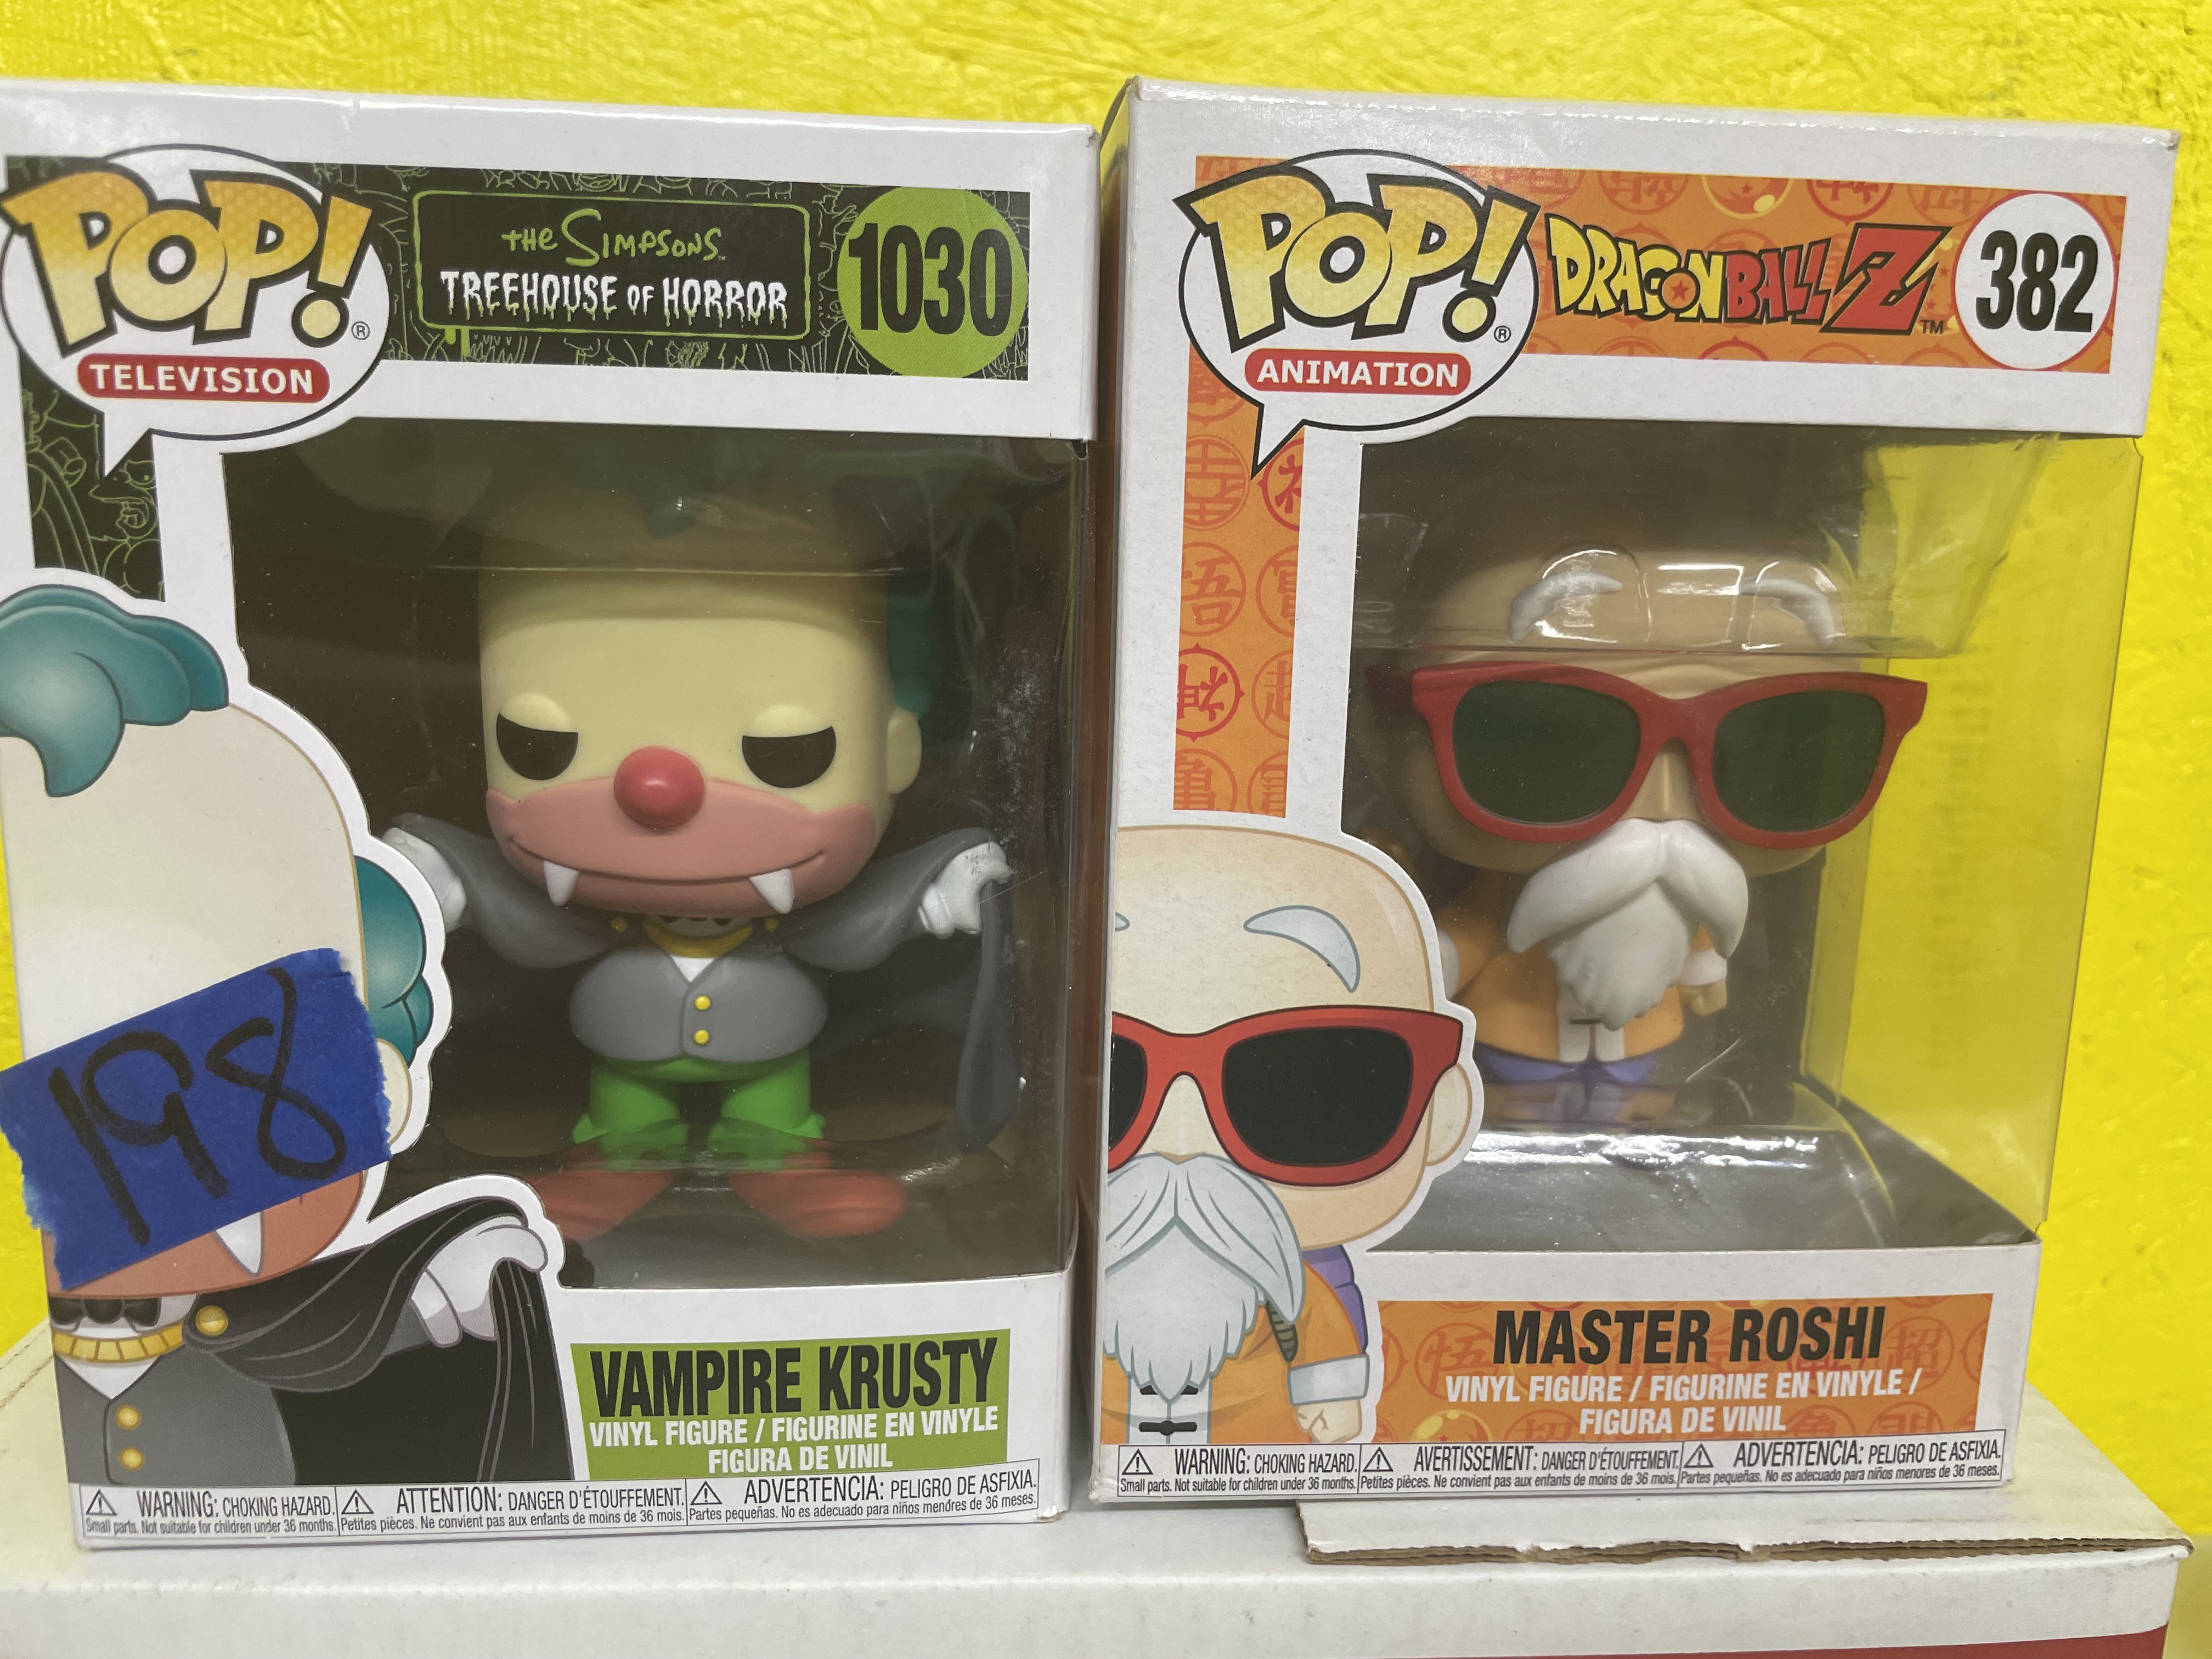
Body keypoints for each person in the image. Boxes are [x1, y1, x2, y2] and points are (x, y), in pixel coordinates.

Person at [1099, 825, 1475, 1448]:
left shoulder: (1289, 1279)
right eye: (1116, 1072)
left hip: (1261, 1435)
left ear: (1444, 1113)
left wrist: (1330, 1392)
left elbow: (1322, 1335)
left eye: (1295, 1078)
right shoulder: (1077, 1264)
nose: (1183, 1142)